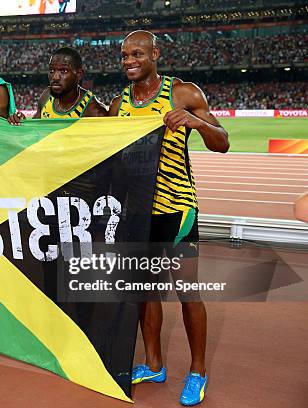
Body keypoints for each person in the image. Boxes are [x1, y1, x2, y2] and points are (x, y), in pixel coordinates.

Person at [108, 30, 229, 406]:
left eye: (138, 54)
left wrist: (198, 124)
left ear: (155, 54)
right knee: (144, 293)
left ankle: (197, 372)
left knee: (187, 291)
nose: (129, 60)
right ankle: (154, 363)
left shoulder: (184, 93)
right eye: (125, 55)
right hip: (137, 213)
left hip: (177, 211)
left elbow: (223, 142)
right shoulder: (118, 104)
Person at [8, 47, 107, 125]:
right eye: (51, 70)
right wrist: (23, 123)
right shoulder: (47, 96)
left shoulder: (93, 111)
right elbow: (35, 130)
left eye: (63, 71)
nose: (55, 77)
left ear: (79, 74)